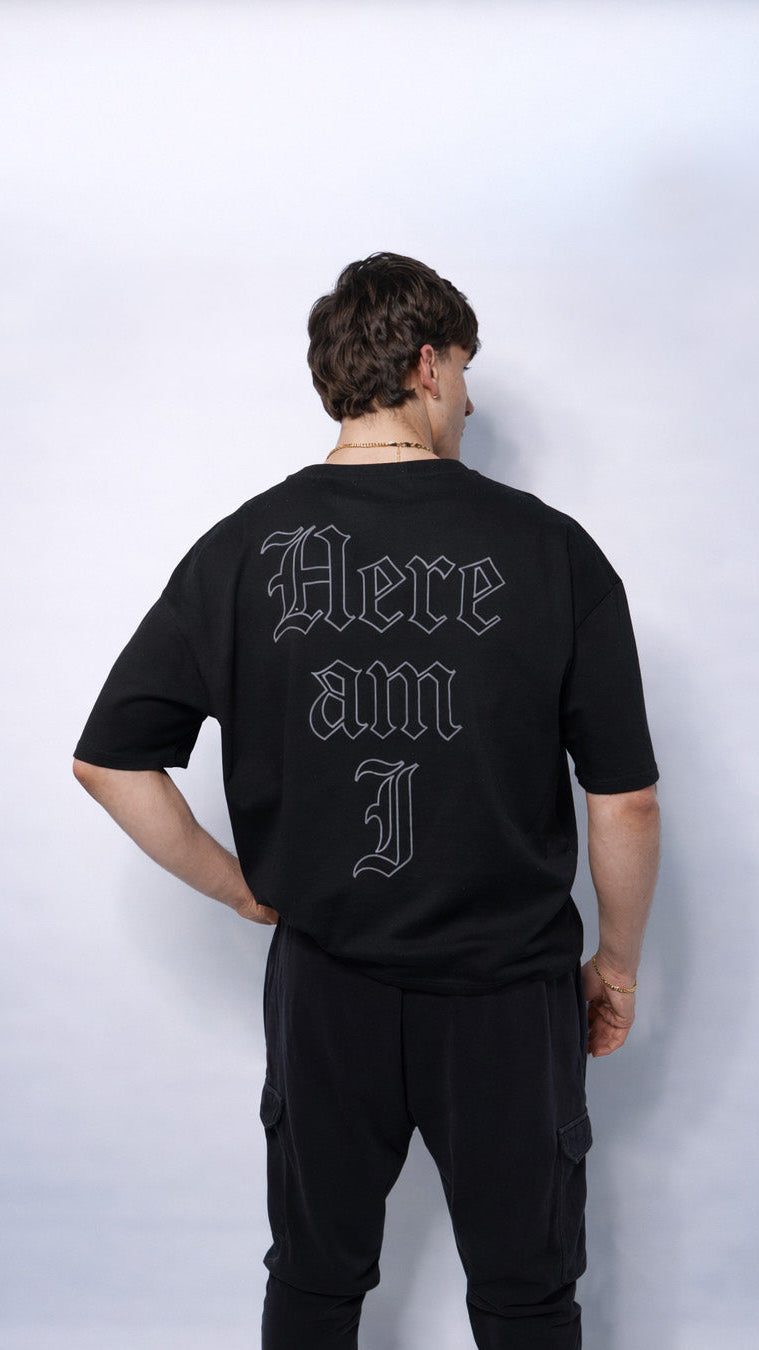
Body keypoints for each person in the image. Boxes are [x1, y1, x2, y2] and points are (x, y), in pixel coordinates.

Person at [73, 251, 661, 1350]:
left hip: (325, 989)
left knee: (314, 1281)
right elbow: (623, 801)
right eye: (466, 373)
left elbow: (109, 761)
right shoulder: (553, 552)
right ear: (428, 366)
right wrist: (617, 965)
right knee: (528, 1296)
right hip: (506, 994)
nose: (471, 403)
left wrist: (243, 891)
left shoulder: (241, 549)